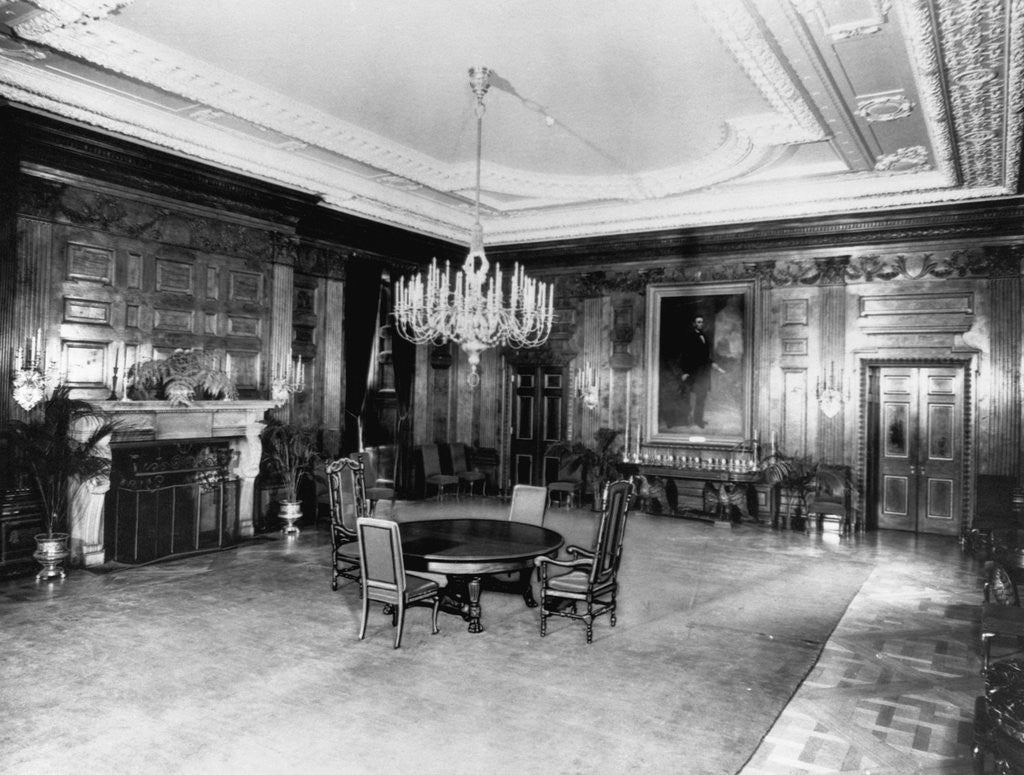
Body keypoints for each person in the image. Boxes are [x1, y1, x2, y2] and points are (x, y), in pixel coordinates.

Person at [677, 315, 725, 427]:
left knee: (702, 397)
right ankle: (686, 420)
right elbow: (685, 355)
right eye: (698, 322)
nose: (701, 324)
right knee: (687, 396)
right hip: (693, 372)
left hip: (703, 372)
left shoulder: (704, 336)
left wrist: (712, 363)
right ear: (694, 324)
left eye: (702, 322)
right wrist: (685, 372)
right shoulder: (689, 336)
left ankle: (698, 420)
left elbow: (704, 356)